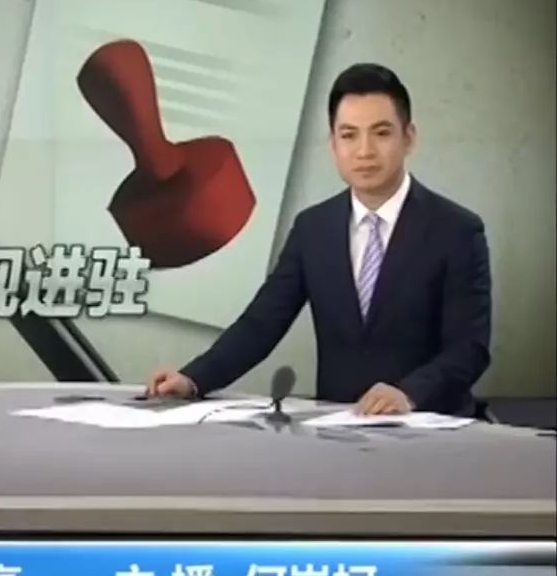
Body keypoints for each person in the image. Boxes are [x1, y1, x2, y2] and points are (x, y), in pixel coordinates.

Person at [146, 63, 492, 417]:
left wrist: (409, 394)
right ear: (333, 144)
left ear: (409, 138)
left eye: (381, 133)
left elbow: (469, 348)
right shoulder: (313, 229)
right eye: (349, 135)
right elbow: (261, 324)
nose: (365, 150)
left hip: (429, 426)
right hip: (338, 428)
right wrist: (193, 379)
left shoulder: (457, 230)